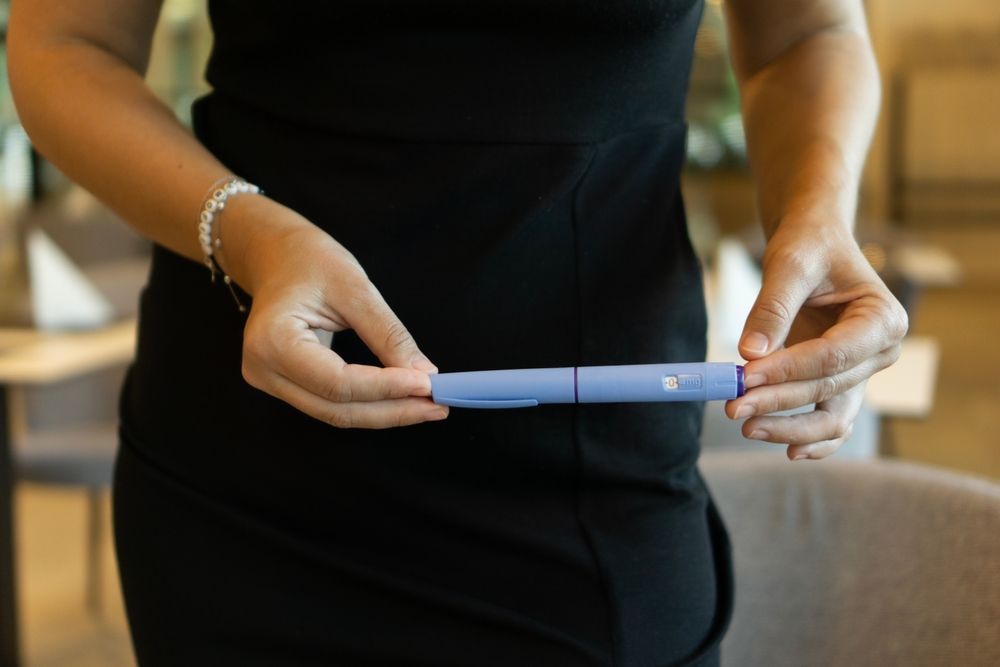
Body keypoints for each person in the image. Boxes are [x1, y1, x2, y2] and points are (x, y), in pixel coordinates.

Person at [8, 0, 906, 664]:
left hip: (598, 478)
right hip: (260, 477)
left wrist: (820, 213)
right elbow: (65, 45)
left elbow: (805, 38)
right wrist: (245, 231)